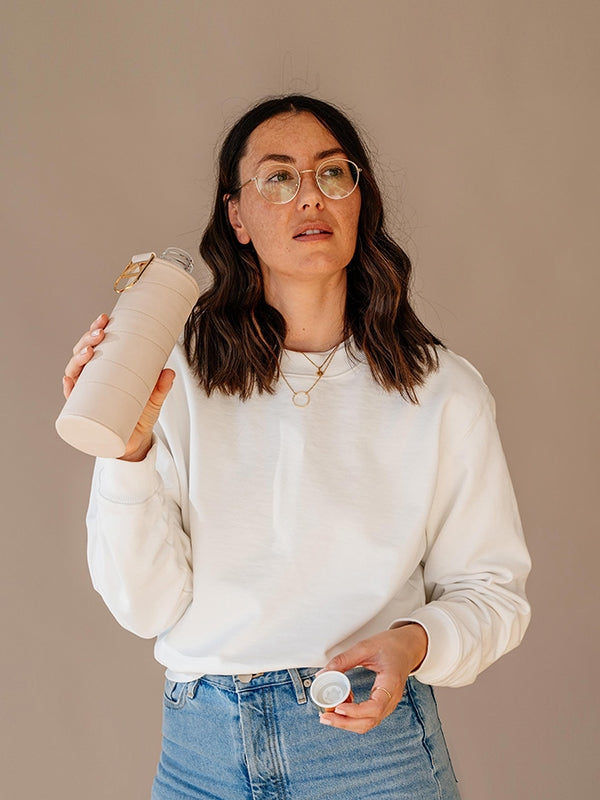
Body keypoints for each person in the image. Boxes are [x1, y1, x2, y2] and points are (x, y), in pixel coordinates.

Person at [63, 95, 531, 800]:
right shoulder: (172, 375)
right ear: (237, 218)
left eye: (332, 173)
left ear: (359, 200)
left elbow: (494, 593)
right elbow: (145, 607)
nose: (309, 195)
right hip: (201, 759)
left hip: (369, 755)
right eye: (277, 177)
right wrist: (125, 455)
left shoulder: (441, 391)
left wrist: (414, 642)